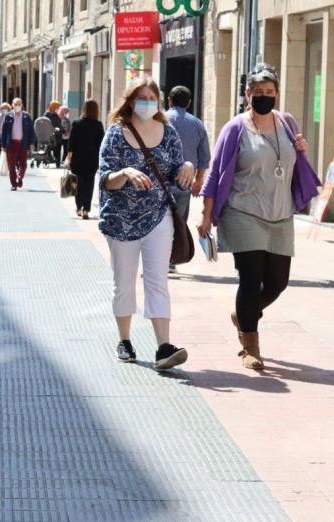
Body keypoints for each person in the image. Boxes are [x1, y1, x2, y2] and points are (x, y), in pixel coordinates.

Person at [198, 64, 318, 370]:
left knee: (278, 282)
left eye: (270, 92)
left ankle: (244, 314)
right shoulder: (235, 128)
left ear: (277, 93)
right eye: (258, 92)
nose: (264, 97)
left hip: (280, 213)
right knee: (251, 280)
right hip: (243, 212)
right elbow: (215, 174)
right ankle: (250, 345)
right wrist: (206, 215)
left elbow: (292, 163)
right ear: (247, 93)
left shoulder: (287, 123)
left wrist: (301, 150)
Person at [98, 76, 194, 371]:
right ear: (130, 101)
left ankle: (164, 347)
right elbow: (104, 179)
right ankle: (124, 340)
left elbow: (178, 166)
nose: (147, 104)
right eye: (142, 98)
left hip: (158, 217)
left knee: (158, 281)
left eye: (152, 98)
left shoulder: (168, 132)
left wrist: (187, 167)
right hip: (120, 221)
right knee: (124, 284)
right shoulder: (116, 133)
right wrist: (125, 171)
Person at [165, 85, 211, 273]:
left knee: (158, 222)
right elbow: (204, 157)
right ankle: (171, 260)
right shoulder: (197, 124)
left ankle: (158, 259)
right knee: (178, 222)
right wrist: (198, 181)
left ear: (169, 100)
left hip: (160, 183)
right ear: (189, 103)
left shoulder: (159, 120)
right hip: (184, 184)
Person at [66, 99, 104, 220]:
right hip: (92, 160)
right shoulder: (98, 125)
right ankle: (86, 209)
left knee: (78, 184)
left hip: (78, 159)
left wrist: (69, 158)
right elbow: (101, 144)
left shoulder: (77, 124)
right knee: (89, 184)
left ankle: (78, 207)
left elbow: (71, 143)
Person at [1, 98, 35, 191]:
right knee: (11, 165)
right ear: (12, 105)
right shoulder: (8, 116)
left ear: (22, 105)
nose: (17, 106)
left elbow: (31, 131)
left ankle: (19, 177)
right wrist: (3, 145)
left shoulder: (26, 116)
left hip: (23, 144)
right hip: (11, 144)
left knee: (23, 164)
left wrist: (32, 143)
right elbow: (4, 131)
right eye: (16, 104)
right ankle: (14, 184)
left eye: (19, 104)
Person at [44, 100, 62, 168]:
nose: (58, 109)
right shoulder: (47, 115)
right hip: (50, 135)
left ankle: (57, 161)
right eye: (57, 107)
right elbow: (45, 123)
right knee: (48, 145)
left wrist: (62, 129)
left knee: (58, 146)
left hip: (57, 135)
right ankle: (48, 158)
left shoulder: (57, 115)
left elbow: (59, 125)